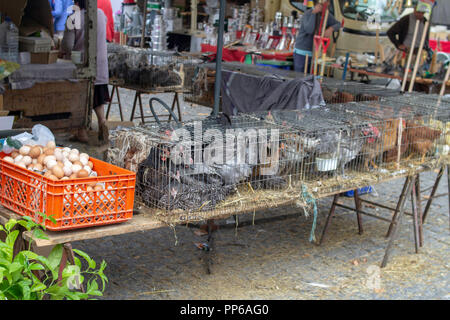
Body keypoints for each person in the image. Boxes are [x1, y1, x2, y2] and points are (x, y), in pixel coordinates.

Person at [61, 0, 109, 143]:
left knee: (79, 100)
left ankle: (81, 132)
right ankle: (103, 121)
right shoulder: (100, 14)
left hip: (82, 66)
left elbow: (67, 45)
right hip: (100, 64)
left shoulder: (73, 18)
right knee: (97, 98)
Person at [293, 0, 341, 73]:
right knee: (300, 77)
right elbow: (309, 30)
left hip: (315, 53)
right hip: (302, 53)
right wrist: (314, 13)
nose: (327, 4)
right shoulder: (308, 14)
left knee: (311, 79)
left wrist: (331, 29)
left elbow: (338, 24)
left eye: (328, 2)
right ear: (317, 4)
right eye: (324, 3)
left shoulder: (326, 15)